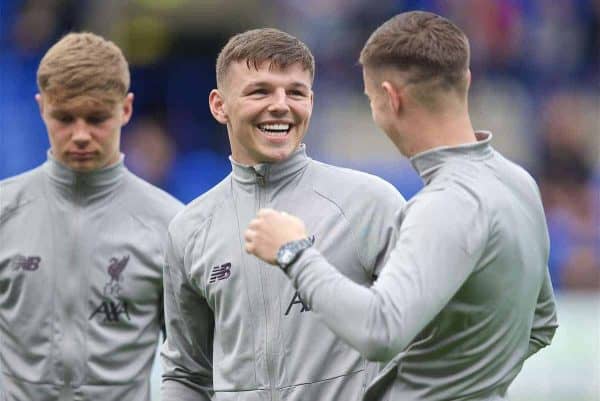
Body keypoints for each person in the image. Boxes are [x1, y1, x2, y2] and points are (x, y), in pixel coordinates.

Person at [245, 11, 558, 401]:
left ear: (391, 99)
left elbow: (379, 331)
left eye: (371, 99)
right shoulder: (519, 183)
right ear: (466, 80)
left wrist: (293, 252)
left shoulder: (445, 205)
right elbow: (541, 323)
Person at [160, 28, 405, 401]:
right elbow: (187, 374)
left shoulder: (370, 204)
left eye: (295, 92)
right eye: (260, 91)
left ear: (311, 101)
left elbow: (424, 339)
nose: (280, 105)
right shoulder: (189, 229)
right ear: (219, 105)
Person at [0, 32, 183, 401]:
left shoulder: (171, 225)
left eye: (97, 118)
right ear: (41, 108)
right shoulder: (4, 212)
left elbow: (191, 367)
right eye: (64, 118)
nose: (80, 135)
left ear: (126, 109)